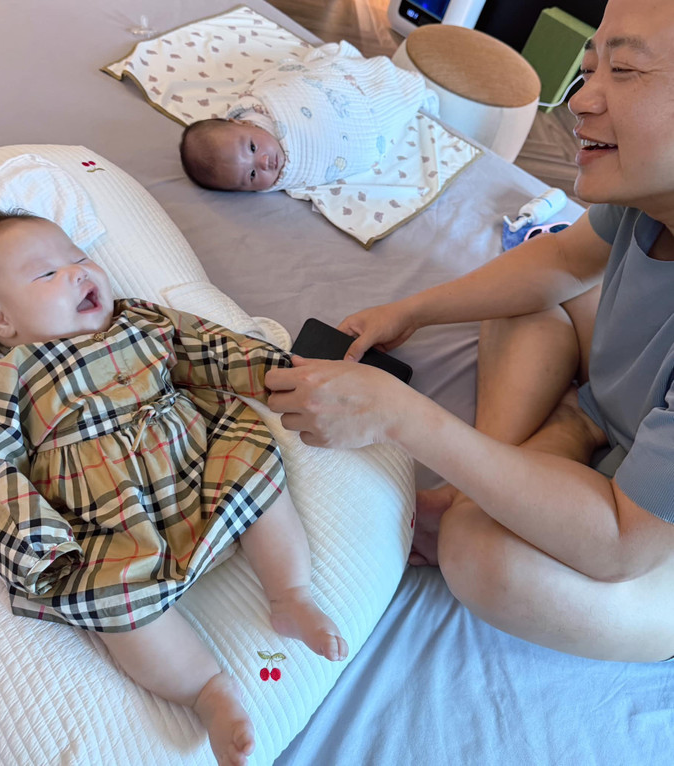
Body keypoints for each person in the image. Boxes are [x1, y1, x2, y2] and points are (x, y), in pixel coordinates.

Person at [264, 0, 674, 664]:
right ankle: (567, 430)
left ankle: (537, 451)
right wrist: (412, 311)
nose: (580, 100)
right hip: (618, 406)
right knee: (524, 296)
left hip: (653, 546)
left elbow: (623, 543)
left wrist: (407, 418)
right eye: (590, 66)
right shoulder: (646, 199)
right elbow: (561, 260)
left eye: (624, 70)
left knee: (482, 554)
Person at [0, 208, 348, 766]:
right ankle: (206, 692)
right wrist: (38, 543)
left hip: (198, 457)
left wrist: (283, 373)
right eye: (47, 273)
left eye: (79, 257)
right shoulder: (8, 378)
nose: (79, 272)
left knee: (255, 464)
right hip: (108, 521)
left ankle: (290, 594)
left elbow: (210, 348)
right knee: (107, 598)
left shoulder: (140, 322)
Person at [180, 40, 438, 192]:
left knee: (337, 74)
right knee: (388, 111)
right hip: (365, 125)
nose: (264, 162)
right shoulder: (293, 172)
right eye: (251, 176)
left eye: (252, 147)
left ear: (240, 121)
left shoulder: (261, 106)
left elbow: (287, 85)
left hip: (339, 87)